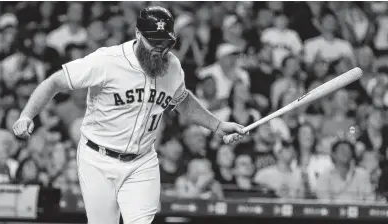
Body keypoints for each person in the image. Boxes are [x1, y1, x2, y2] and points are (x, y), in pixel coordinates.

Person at [13, 6, 245, 224]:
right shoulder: (107, 61)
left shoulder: (171, 65)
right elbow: (55, 82)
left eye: (165, 42)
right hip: (98, 159)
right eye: (154, 41)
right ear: (137, 34)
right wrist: (27, 115)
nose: (160, 48)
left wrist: (217, 125)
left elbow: (182, 100)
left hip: (142, 161)